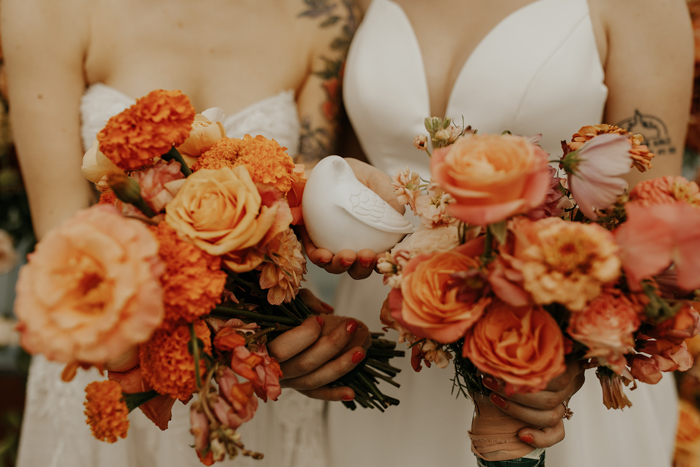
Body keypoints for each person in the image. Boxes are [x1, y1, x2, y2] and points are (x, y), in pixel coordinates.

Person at [301, 0, 694, 466]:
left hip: (549, 344)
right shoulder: (351, 4)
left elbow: (654, 228)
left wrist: (570, 355)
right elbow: (345, 165)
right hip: (387, 336)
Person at [1, 1, 367, 466]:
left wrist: (301, 340)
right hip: (111, 351)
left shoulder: (324, 15)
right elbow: (62, 234)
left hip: (258, 369)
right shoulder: (44, 9)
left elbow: (303, 208)